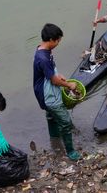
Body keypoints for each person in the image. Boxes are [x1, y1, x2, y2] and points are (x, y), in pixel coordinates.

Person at [33, 23, 81, 161]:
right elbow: (54, 81)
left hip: (43, 90)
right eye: (58, 40)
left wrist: (58, 74)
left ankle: (54, 138)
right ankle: (70, 151)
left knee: (51, 116)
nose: (59, 43)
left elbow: (50, 72)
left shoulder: (42, 50)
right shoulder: (43, 58)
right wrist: (68, 85)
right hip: (48, 95)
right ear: (51, 40)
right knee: (65, 122)